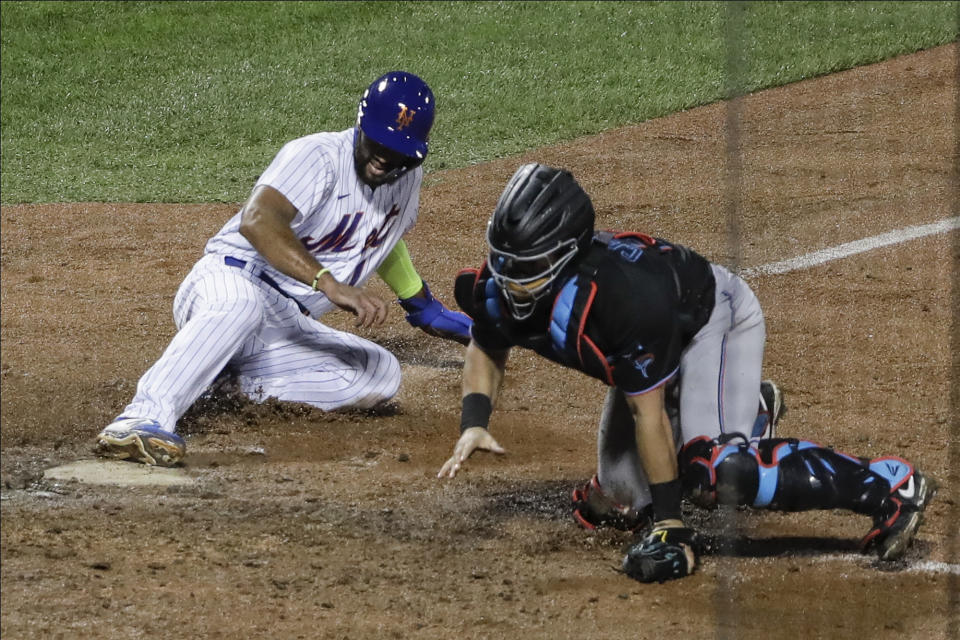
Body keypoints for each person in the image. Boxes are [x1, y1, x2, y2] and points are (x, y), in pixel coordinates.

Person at [437, 163, 937, 583]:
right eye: (504, 261)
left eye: (527, 265)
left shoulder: (619, 302)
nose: (510, 279)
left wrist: (671, 525)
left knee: (714, 473)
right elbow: (487, 346)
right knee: (620, 499)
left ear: (566, 256)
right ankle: (746, 411)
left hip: (713, 322)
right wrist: (475, 421)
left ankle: (888, 486)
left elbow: (646, 414)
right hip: (657, 343)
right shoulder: (495, 288)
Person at [96, 71, 471, 467]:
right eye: (378, 141)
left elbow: (378, 232)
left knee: (378, 372)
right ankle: (141, 417)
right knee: (241, 307)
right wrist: (328, 283)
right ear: (361, 123)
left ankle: (219, 382)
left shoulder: (406, 180)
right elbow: (258, 219)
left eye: (398, 151)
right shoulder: (318, 156)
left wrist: (420, 302)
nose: (385, 157)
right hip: (230, 280)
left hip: (288, 320)